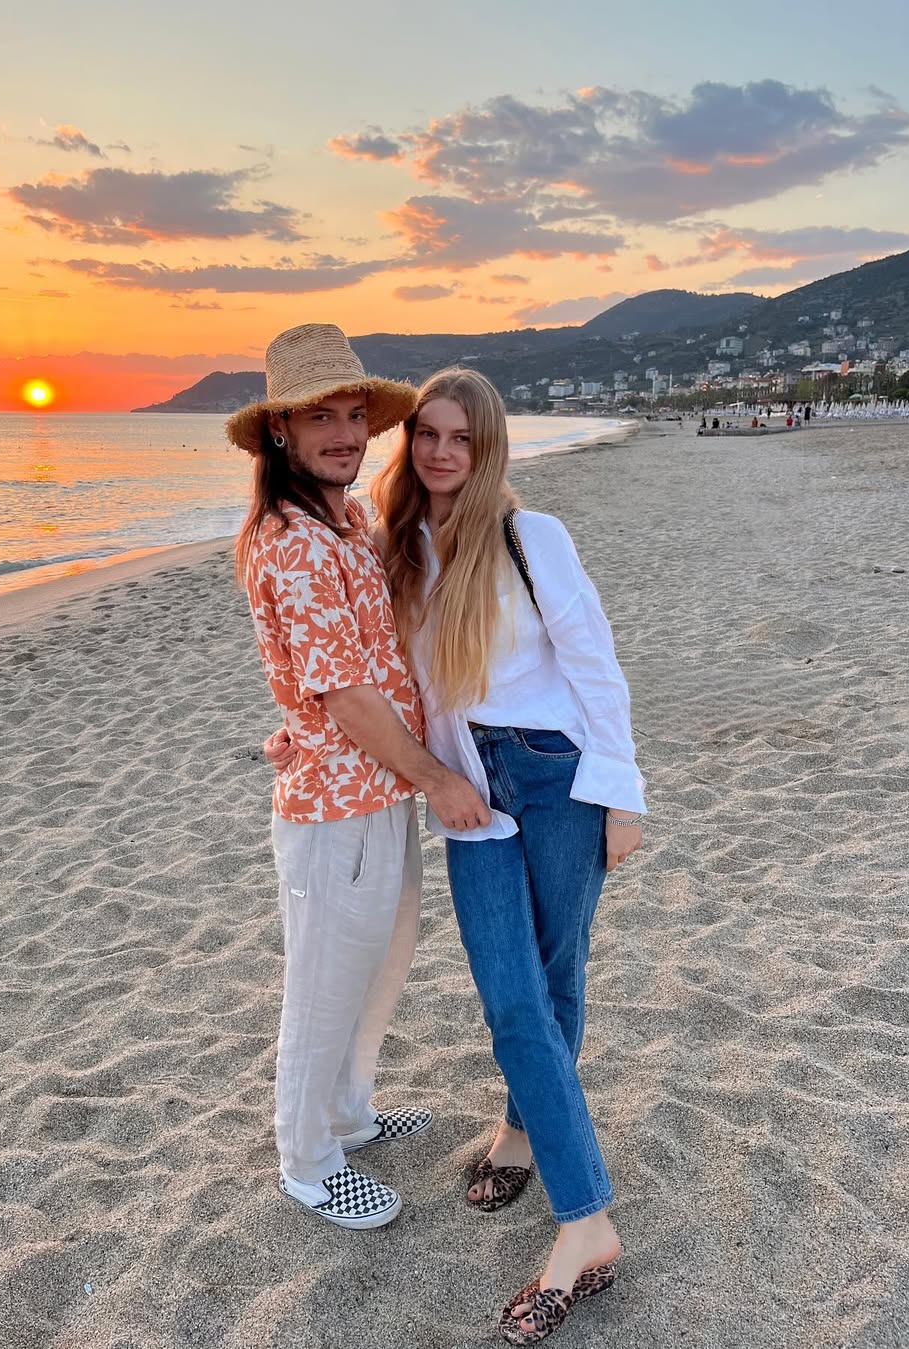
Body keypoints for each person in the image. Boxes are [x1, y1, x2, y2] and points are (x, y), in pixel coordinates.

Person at [270, 368, 645, 1343]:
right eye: (428, 433)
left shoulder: (530, 535)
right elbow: (362, 668)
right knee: (511, 996)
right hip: (468, 783)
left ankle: (530, 1144)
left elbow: (595, 662)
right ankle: (586, 1216)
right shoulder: (389, 545)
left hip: (557, 775)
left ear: (489, 449)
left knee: (555, 976)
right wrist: (302, 730)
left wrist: (622, 794)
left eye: (463, 438)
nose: (441, 452)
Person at [232, 325, 491, 1231]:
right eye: (321, 418)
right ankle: (307, 1161)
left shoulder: (343, 522)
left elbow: (333, 664)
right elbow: (343, 692)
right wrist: (439, 779)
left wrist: (298, 720)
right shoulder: (296, 540)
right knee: (324, 987)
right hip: (337, 807)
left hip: (376, 793)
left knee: (378, 965)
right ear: (280, 430)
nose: (345, 434)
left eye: (353, 415)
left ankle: (348, 1111)